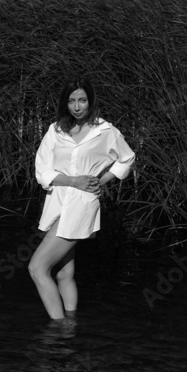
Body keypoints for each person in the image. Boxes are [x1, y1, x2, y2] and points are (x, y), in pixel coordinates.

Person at [28, 75, 135, 321]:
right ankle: (71, 327)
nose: (77, 106)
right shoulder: (55, 131)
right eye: (72, 101)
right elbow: (41, 169)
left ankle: (58, 329)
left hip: (81, 206)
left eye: (82, 100)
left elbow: (127, 158)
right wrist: (73, 180)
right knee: (64, 274)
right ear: (65, 103)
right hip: (57, 202)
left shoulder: (105, 131)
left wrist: (102, 180)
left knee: (37, 268)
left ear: (90, 101)